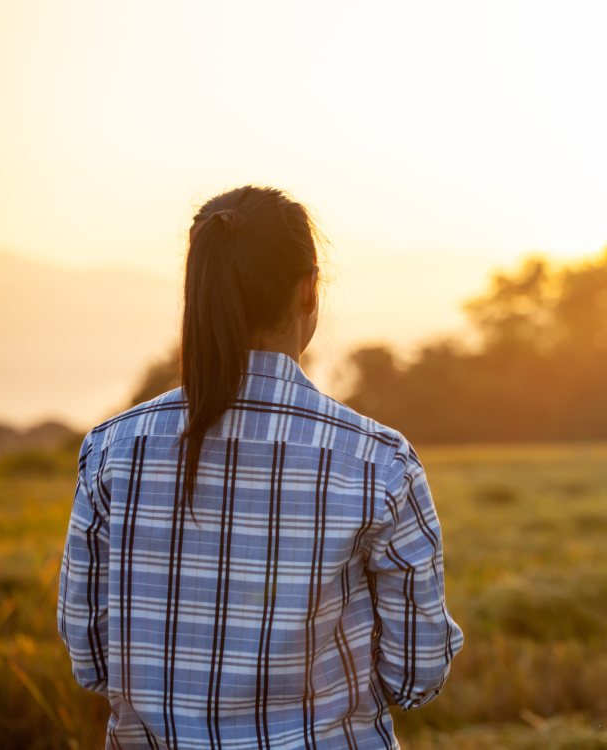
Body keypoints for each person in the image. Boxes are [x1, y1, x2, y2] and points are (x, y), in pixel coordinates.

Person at [57, 186, 463, 749]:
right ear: (308, 291)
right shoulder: (378, 462)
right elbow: (417, 675)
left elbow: (92, 659)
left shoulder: (112, 450)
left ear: (199, 293)